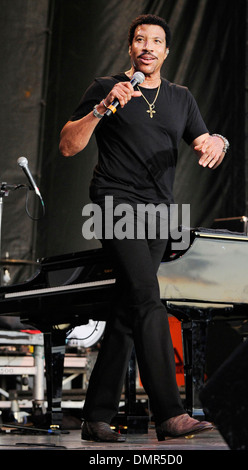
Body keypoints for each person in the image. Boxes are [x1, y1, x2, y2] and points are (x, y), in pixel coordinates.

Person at [59, 14, 229, 442]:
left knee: (126, 311)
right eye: (140, 40)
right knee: (149, 299)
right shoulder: (106, 88)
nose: (148, 46)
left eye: (156, 41)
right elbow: (67, 146)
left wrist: (219, 142)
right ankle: (170, 414)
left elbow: (203, 140)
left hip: (158, 214)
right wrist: (102, 108)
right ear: (130, 49)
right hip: (114, 204)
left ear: (167, 52)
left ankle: (95, 417)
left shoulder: (180, 97)